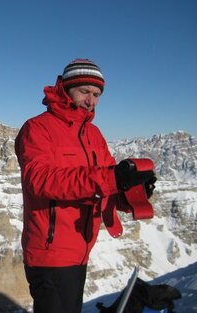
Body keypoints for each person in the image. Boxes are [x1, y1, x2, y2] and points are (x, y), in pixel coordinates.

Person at [14, 58, 156, 313]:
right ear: (66, 88)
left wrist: (132, 193)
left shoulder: (94, 135)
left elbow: (108, 185)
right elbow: (40, 180)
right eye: (85, 92)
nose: (91, 100)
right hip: (50, 253)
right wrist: (113, 179)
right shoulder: (37, 129)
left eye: (97, 94)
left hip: (81, 249)